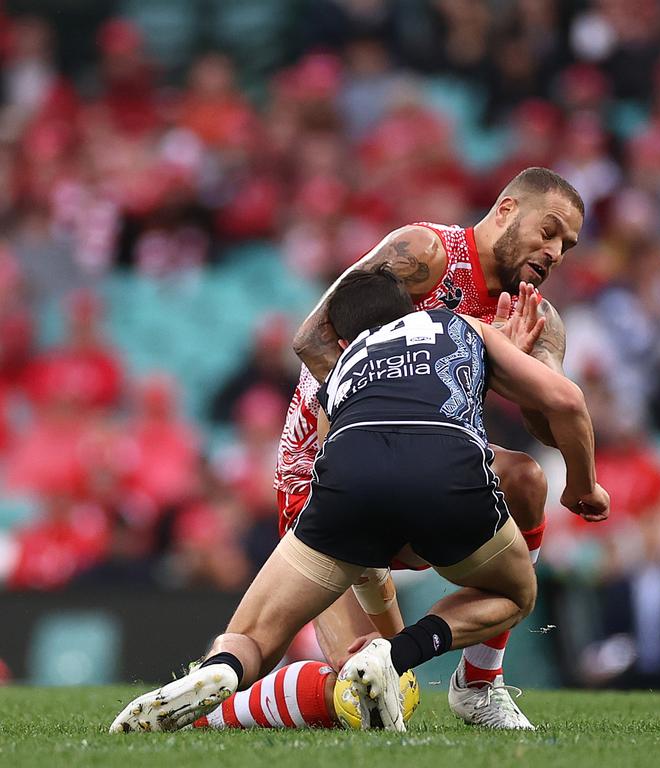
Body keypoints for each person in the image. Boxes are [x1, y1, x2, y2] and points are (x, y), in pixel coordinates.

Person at [110, 266, 609, 733]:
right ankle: (417, 659)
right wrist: (584, 486)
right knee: (513, 595)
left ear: (344, 338)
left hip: (348, 481)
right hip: (445, 475)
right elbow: (565, 401)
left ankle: (220, 670)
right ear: (413, 309)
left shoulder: (339, 370)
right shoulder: (456, 326)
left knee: (254, 637)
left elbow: (336, 475)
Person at [257, 166, 583, 730]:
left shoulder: (539, 320)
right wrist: (391, 415)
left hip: (421, 482)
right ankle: (220, 703)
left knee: (528, 478)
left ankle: (481, 683)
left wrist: (525, 366)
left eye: (567, 245)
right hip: (325, 481)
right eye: (548, 230)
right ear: (505, 210)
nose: (555, 252)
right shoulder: (424, 252)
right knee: (363, 692)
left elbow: (554, 423)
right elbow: (310, 338)